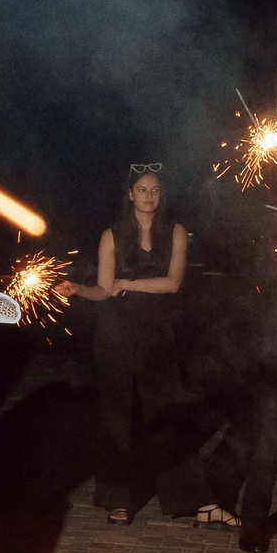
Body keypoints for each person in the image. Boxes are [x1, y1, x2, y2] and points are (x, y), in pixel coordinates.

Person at [72, 167, 230, 527]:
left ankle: (197, 501)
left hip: (156, 334)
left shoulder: (175, 232)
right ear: (130, 194)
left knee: (169, 415)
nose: (148, 196)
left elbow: (172, 284)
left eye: (155, 190)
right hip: (114, 334)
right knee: (117, 417)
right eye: (142, 189)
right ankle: (119, 501)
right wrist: (79, 290)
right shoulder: (111, 235)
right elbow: (102, 289)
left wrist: (127, 283)